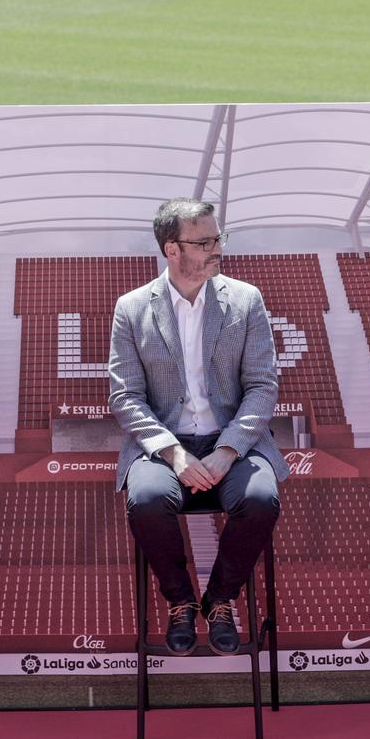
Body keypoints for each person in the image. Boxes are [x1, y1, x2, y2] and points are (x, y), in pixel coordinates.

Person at [109, 198, 286, 656]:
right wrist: (173, 453)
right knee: (146, 500)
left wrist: (228, 450)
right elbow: (125, 396)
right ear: (172, 249)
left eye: (217, 238)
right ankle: (181, 601)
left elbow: (264, 385)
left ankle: (222, 599)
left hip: (235, 443)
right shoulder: (131, 309)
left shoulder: (246, 300)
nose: (216, 248)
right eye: (204, 241)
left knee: (261, 500)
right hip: (164, 447)